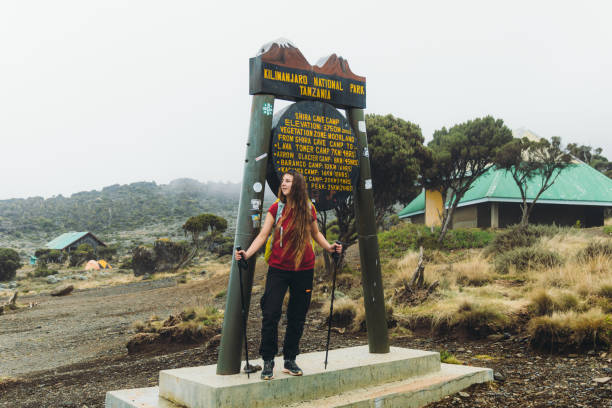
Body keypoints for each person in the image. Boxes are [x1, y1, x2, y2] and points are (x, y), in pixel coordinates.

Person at [235, 170, 342, 380]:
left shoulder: (308, 208)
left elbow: (316, 233)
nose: (283, 184)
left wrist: (330, 248)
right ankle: (268, 360)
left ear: (297, 185)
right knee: (271, 313)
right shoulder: (277, 207)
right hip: (279, 268)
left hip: (304, 269)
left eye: (288, 181)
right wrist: (246, 254)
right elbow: (264, 235)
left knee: (297, 316)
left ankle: (290, 359)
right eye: (283, 181)